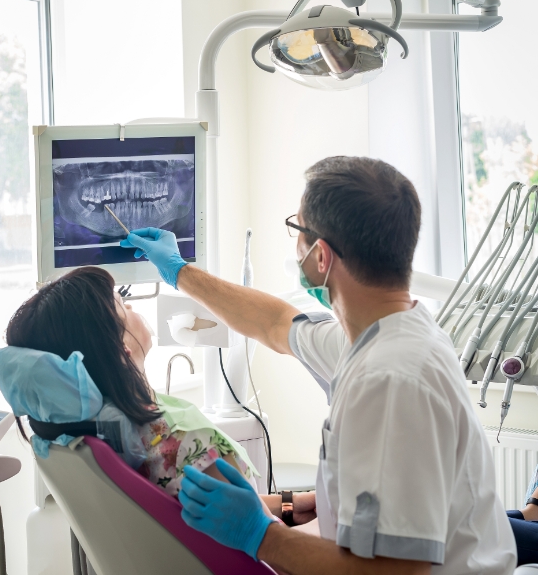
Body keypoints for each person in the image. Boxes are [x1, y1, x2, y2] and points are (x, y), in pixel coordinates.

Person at [120, 156, 518, 575]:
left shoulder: (390, 379)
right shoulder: (381, 334)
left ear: (321, 256)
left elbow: (397, 571)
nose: (296, 246)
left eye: (298, 230)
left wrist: (261, 535)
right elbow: (273, 323)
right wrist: (180, 272)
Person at [0, 266, 317, 526]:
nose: (132, 307)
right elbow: (259, 538)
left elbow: (221, 508)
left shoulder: (97, 438)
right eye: (123, 306)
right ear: (122, 350)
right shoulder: (184, 443)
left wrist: (290, 503)